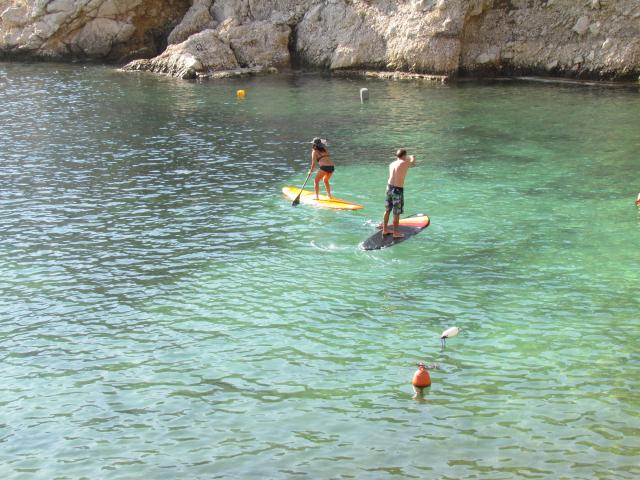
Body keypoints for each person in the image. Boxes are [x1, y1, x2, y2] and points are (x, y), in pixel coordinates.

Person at [382, 149, 416, 238]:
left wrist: (407, 158)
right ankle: (396, 233)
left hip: (388, 188)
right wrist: (412, 157)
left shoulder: (391, 164)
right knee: (396, 212)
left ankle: (385, 230)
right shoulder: (404, 162)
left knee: (387, 210)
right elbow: (413, 163)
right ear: (404, 156)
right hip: (397, 190)